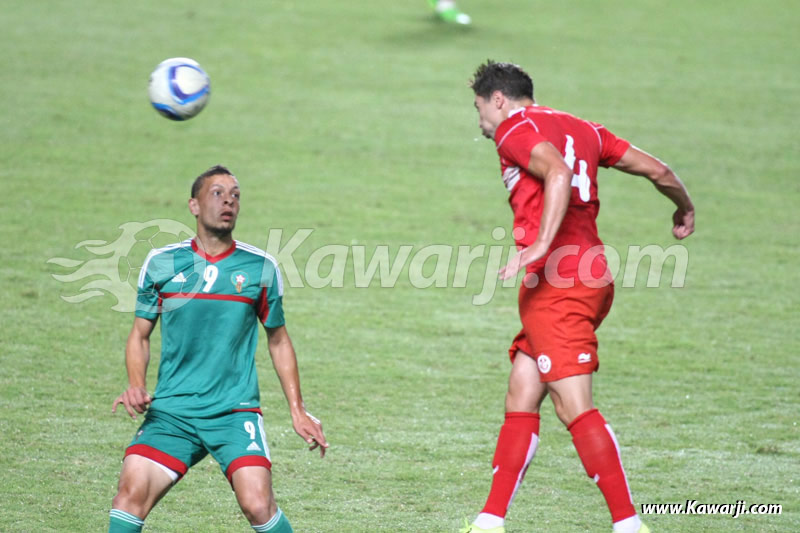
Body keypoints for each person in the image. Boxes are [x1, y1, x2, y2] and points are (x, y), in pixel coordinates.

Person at [461, 61, 695, 533]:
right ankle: (490, 520)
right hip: (590, 277)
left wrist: (542, 244)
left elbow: (558, 172)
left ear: (499, 99)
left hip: (559, 283)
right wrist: (684, 207)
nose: (480, 120)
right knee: (523, 391)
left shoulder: (513, 129)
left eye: (479, 108)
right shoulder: (585, 128)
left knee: (573, 406)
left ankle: (628, 524)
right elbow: (658, 169)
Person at [108, 165, 328, 533]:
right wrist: (136, 383)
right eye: (217, 192)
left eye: (236, 194)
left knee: (258, 504)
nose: (228, 199)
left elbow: (278, 339)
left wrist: (298, 409)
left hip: (233, 411)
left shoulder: (260, 268)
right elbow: (139, 334)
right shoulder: (163, 263)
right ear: (193, 205)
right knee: (129, 494)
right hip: (174, 411)